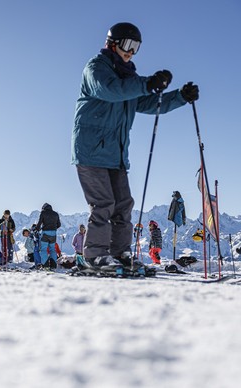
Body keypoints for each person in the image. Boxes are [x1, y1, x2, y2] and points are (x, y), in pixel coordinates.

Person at [71, 22, 199, 271]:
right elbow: (109, 90)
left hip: (116, 154)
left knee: (123, 205)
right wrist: (146, 83)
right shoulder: (97, 68)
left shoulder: (128, 79)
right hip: (90, 151)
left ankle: (120, 254)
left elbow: (150, 104)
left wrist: (180, 97)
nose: (131, 51)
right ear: (112, 43)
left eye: (136, 46)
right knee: (103, 204)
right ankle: (95, 256)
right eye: (128, 45)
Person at [35, 203, 61, 269]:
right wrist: (53, 228)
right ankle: (53, 265)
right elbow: (59, 224)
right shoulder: (55, 214)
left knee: (43, 249)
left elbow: (39, 223)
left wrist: (37, 229)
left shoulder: (43, 213)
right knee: (52, 249)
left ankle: (45, 265)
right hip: (53, 233)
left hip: (45, 233)